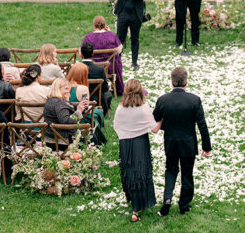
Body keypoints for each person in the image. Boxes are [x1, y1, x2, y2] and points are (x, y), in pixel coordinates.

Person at [152, 66, 211, 216]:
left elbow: (156, 118)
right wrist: (206, 146)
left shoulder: (163, 100)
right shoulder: (194, 100)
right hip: (188, 142)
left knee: (170, 170)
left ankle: (167, 198)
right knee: (187, 173)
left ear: (172, 82)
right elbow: (201, 124)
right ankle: (184, 205)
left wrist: (167, 124)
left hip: (171, 141)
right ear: (186, 82)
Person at [114, 78, 158, 221]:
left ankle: (134, 203)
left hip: (125, 142)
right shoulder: (143, 108)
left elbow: (116, 126)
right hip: (140, 142)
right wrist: (161, 119)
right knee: (140, 173)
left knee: (130, 172)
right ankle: (138, 207)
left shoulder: (121, 108)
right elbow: (154, 129)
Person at [113, 0, 149, 72]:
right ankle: (117, 61)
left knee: (135, 39)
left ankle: (134, 62)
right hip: (123, 12)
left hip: (135, 14)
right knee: (120, 38)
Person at [81, 16, 124, 95]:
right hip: (110, 68)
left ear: (94, 26)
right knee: (116, 57)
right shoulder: (111, 35)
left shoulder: (88, 37)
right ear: (105, 25)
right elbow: (119, 49)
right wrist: (110, 32)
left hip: (93, 67)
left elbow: (81, 53)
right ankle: (117, 87)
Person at [66, 62, 106, 143]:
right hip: (80, 118)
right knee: (98, 112)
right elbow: (86, 107)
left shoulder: (65, 86)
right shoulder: (82, 88)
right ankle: (99, 138)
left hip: (66, 116)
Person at [42, 78, 88, 145]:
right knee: (91, 136)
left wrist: (82, 109)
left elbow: (71, 110)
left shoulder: (52, 100)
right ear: (58, 89)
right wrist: (79, 111)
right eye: (66, 89)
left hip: (51, 137)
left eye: (68, 89)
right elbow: (66, 121)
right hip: (61, 140)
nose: (68, 91)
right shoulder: (59, 102)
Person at [79, 41, 113, 115]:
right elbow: (105, 88)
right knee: (109, 94)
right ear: (92, 54)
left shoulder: (76, 68)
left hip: (80, 99)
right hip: (96, 100)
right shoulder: (99, 69)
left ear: (81, 54)